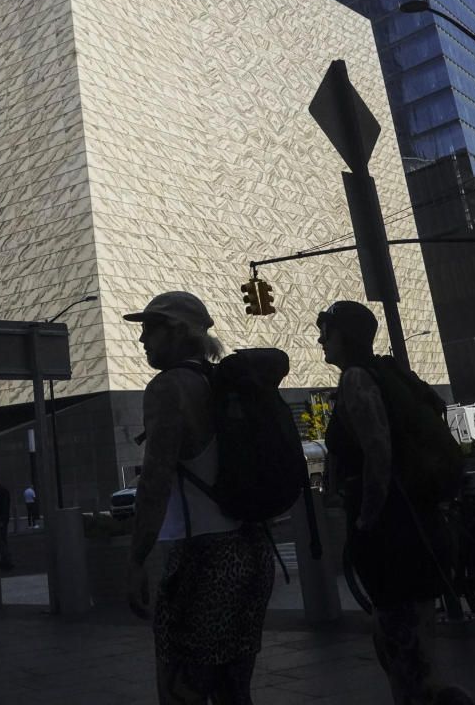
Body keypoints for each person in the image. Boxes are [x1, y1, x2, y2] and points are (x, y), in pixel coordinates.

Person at [317, 300, 475, 705]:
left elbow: (378, 451)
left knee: (408, 660)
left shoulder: (356, 378)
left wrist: (367, 520)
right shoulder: (384, 374)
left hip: (394, 534)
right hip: (409, 526)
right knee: (405, 651)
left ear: (347, 337)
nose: (321, 339)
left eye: (328, 332)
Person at [124, 291, 274, 705]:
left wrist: (137, 559)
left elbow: (154, 480)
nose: (142, 341)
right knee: (233, 691)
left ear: (177, 332)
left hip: (205, 558)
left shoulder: (168, 388)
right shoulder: (222, 384)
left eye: (150, 329)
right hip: (253, 552)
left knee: (180, 690)